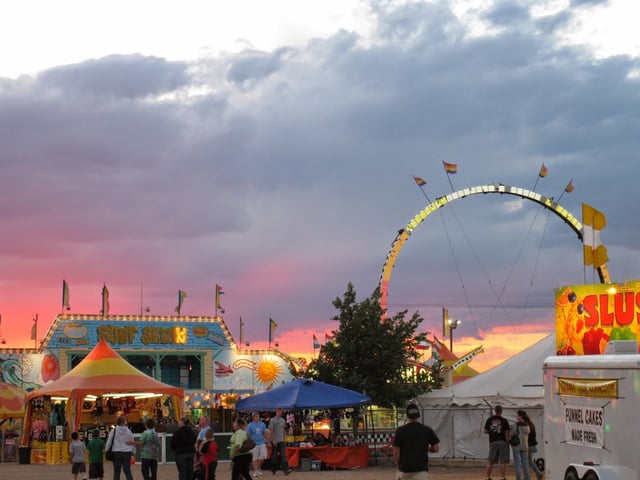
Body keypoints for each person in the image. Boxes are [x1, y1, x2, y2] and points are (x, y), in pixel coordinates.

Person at [392, 403, 440, 480]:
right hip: (421, 471)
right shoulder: (427, 430)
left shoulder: (400, 431)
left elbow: (396, 451)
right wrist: (428, 449)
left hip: (405, 470)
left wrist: (398, 466)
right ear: (418, 415)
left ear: (407, 415)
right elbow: (436, 448)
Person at [484, 405, 511, 480]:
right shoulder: (504, 420)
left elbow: (485, 431)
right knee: (502, 461)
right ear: (501, 411)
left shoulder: (489, 419)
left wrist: (492, 431)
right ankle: (503, 477)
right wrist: (507, 441)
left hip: (493, 442)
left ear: (495, 411)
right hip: (502, 442)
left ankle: (488, 477)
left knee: (491, 461)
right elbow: (506, 432)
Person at [105, 415, 135, 480]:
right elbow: (132, 442)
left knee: (117, 471)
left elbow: (109, 441)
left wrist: (106, 449)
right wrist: (133, 451)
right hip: (127, 452)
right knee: (127, 470)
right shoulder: (129, 432)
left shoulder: (114, 431)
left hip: (116, 452)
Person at [520, 410, 543, 480]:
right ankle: (538, 473)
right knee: (529, 461)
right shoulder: (531, 424)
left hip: (527, 446)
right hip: (532, 445)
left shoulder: (524, 425)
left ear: (521, 417)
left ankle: (526, 476)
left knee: (525, 461)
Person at [268, 407, 292, 476]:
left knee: (283, 456)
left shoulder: (283, 420)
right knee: (274, 456)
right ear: (276, 412)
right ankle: (273, 469)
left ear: (281, 412)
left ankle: (286, 470)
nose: (279, 413)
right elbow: (271, 431)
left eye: (280, 412)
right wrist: (273, 440)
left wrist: (284, 439)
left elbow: (283, 430)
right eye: (278, 411)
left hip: (281, 440)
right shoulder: (272, 420)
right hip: (275, 441)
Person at [246, 412, 268, 476]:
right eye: (255, 416)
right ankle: (255, 471)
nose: (257, 418)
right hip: (254, 444)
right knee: (255, 458)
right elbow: (248, 435)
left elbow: (264, 433)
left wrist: (268, 441)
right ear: (253, 418)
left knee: (263, 456)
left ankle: (258, 467)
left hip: (261, 442)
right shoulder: (250, 425)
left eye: (258, 416)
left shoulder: (262, 424)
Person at [511, 411, 530, 480]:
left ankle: (518, 478)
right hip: (525, 446)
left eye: (517, 415)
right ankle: (527, 478)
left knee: (517, 464)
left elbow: (510, 434)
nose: (516, 416)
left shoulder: (515, 425)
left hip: (516, 446)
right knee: (525, 463)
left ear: (520, 416)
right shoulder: (527, 425)